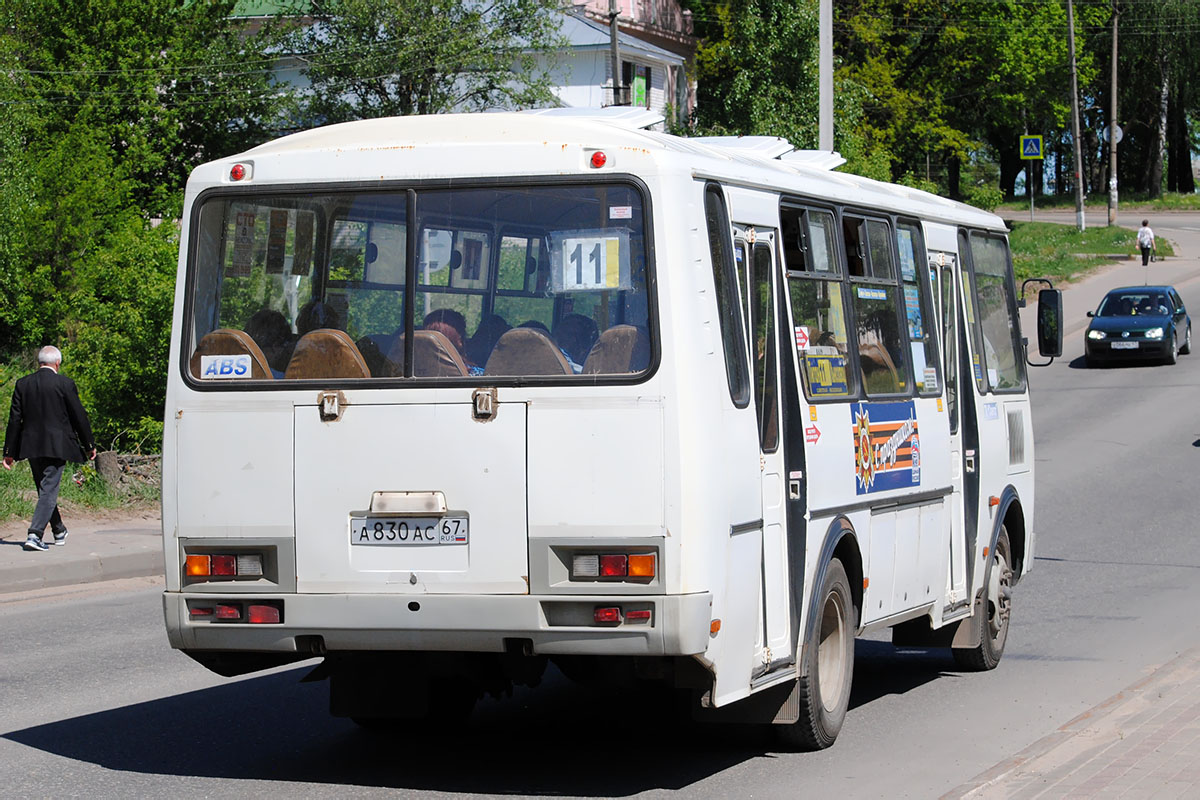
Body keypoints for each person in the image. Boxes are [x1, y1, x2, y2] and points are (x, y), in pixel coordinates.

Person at [2, 346, 96, 552]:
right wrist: (89, 445)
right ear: (57, 363)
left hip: (31, 445)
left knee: (45, 490)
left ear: (39, 362)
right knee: (48, 491)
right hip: (57, 445)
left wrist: (9, 451)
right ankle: (35, 535)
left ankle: (59, 530)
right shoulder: (64, 383)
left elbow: (15, 420)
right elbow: (78, 415)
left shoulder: (23, 384)